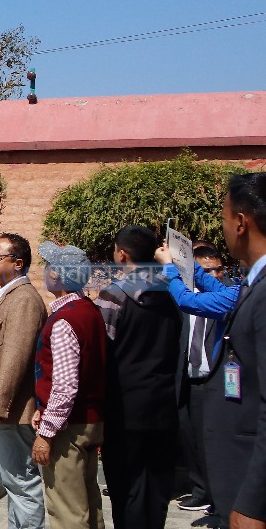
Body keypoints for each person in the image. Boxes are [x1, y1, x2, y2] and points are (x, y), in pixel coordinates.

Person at [92, 226, 181, 529]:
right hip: (164, 405)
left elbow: (99, 351)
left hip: (124, 409)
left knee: (124, 488)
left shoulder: (113, 295)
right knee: (156, 490)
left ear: (122, 254)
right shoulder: (170, 294)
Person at [0, 233, 48, 529]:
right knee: (10, 480)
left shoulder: (24, 299)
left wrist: (0, 404)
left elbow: (16, 358)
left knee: (22, 482)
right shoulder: (8, 296)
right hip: (0, 408)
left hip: (9, 410)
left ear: (18, 263)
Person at [202, 172, 266, 529]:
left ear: (241, 222)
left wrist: (254, 502)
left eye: (224, 218)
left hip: (250, 492)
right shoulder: (251, 286)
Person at [31, 242, 107, 529]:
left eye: (48, 266)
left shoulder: (65, 320)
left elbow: (64, 385)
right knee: (88, 503)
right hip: (89, 420)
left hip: (69, 427)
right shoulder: (89, 310)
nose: (45, 271)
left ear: (58, 276)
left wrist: (47, 432)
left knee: (67, 512)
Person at [158, 241, 232, 516]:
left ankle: (219, 498)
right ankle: (202, 490)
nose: (215, 276)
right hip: (187, 376)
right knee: (190, 437)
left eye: (219, 270)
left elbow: (190, 301)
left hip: (215, 379)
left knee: (213, 441)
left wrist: (170, 267)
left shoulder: (229, 296)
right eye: (207, 271)